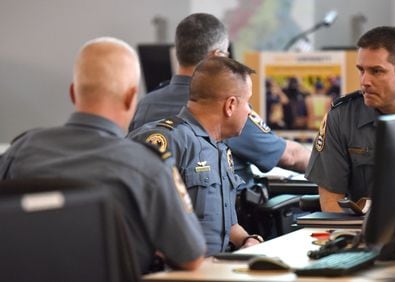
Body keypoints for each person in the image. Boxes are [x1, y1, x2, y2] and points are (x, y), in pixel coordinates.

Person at [0, 37, 206, 273]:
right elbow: (190, 256)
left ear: (73, 93)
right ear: (131, 97)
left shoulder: (21, 150)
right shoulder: (147, 166)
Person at [129, 13, 310, 191]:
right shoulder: (226, 106)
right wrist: (331, 164)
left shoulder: (145, 104)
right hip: (229, 216)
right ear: (217, 56)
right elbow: (290, 157)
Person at [305, 26, 395, 212]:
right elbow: (331, 203)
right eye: (361, 70)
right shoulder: (342, 116)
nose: (365, 81)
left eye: (376, 71)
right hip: (362, 232)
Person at [129, 56, 262, 256]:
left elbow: (222, 223)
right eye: (248, 102)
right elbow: (133, 221)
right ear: (231, 105)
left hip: (218, 266)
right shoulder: (167, 141)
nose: (249, 111)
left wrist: (247, 239)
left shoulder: (218, 148)